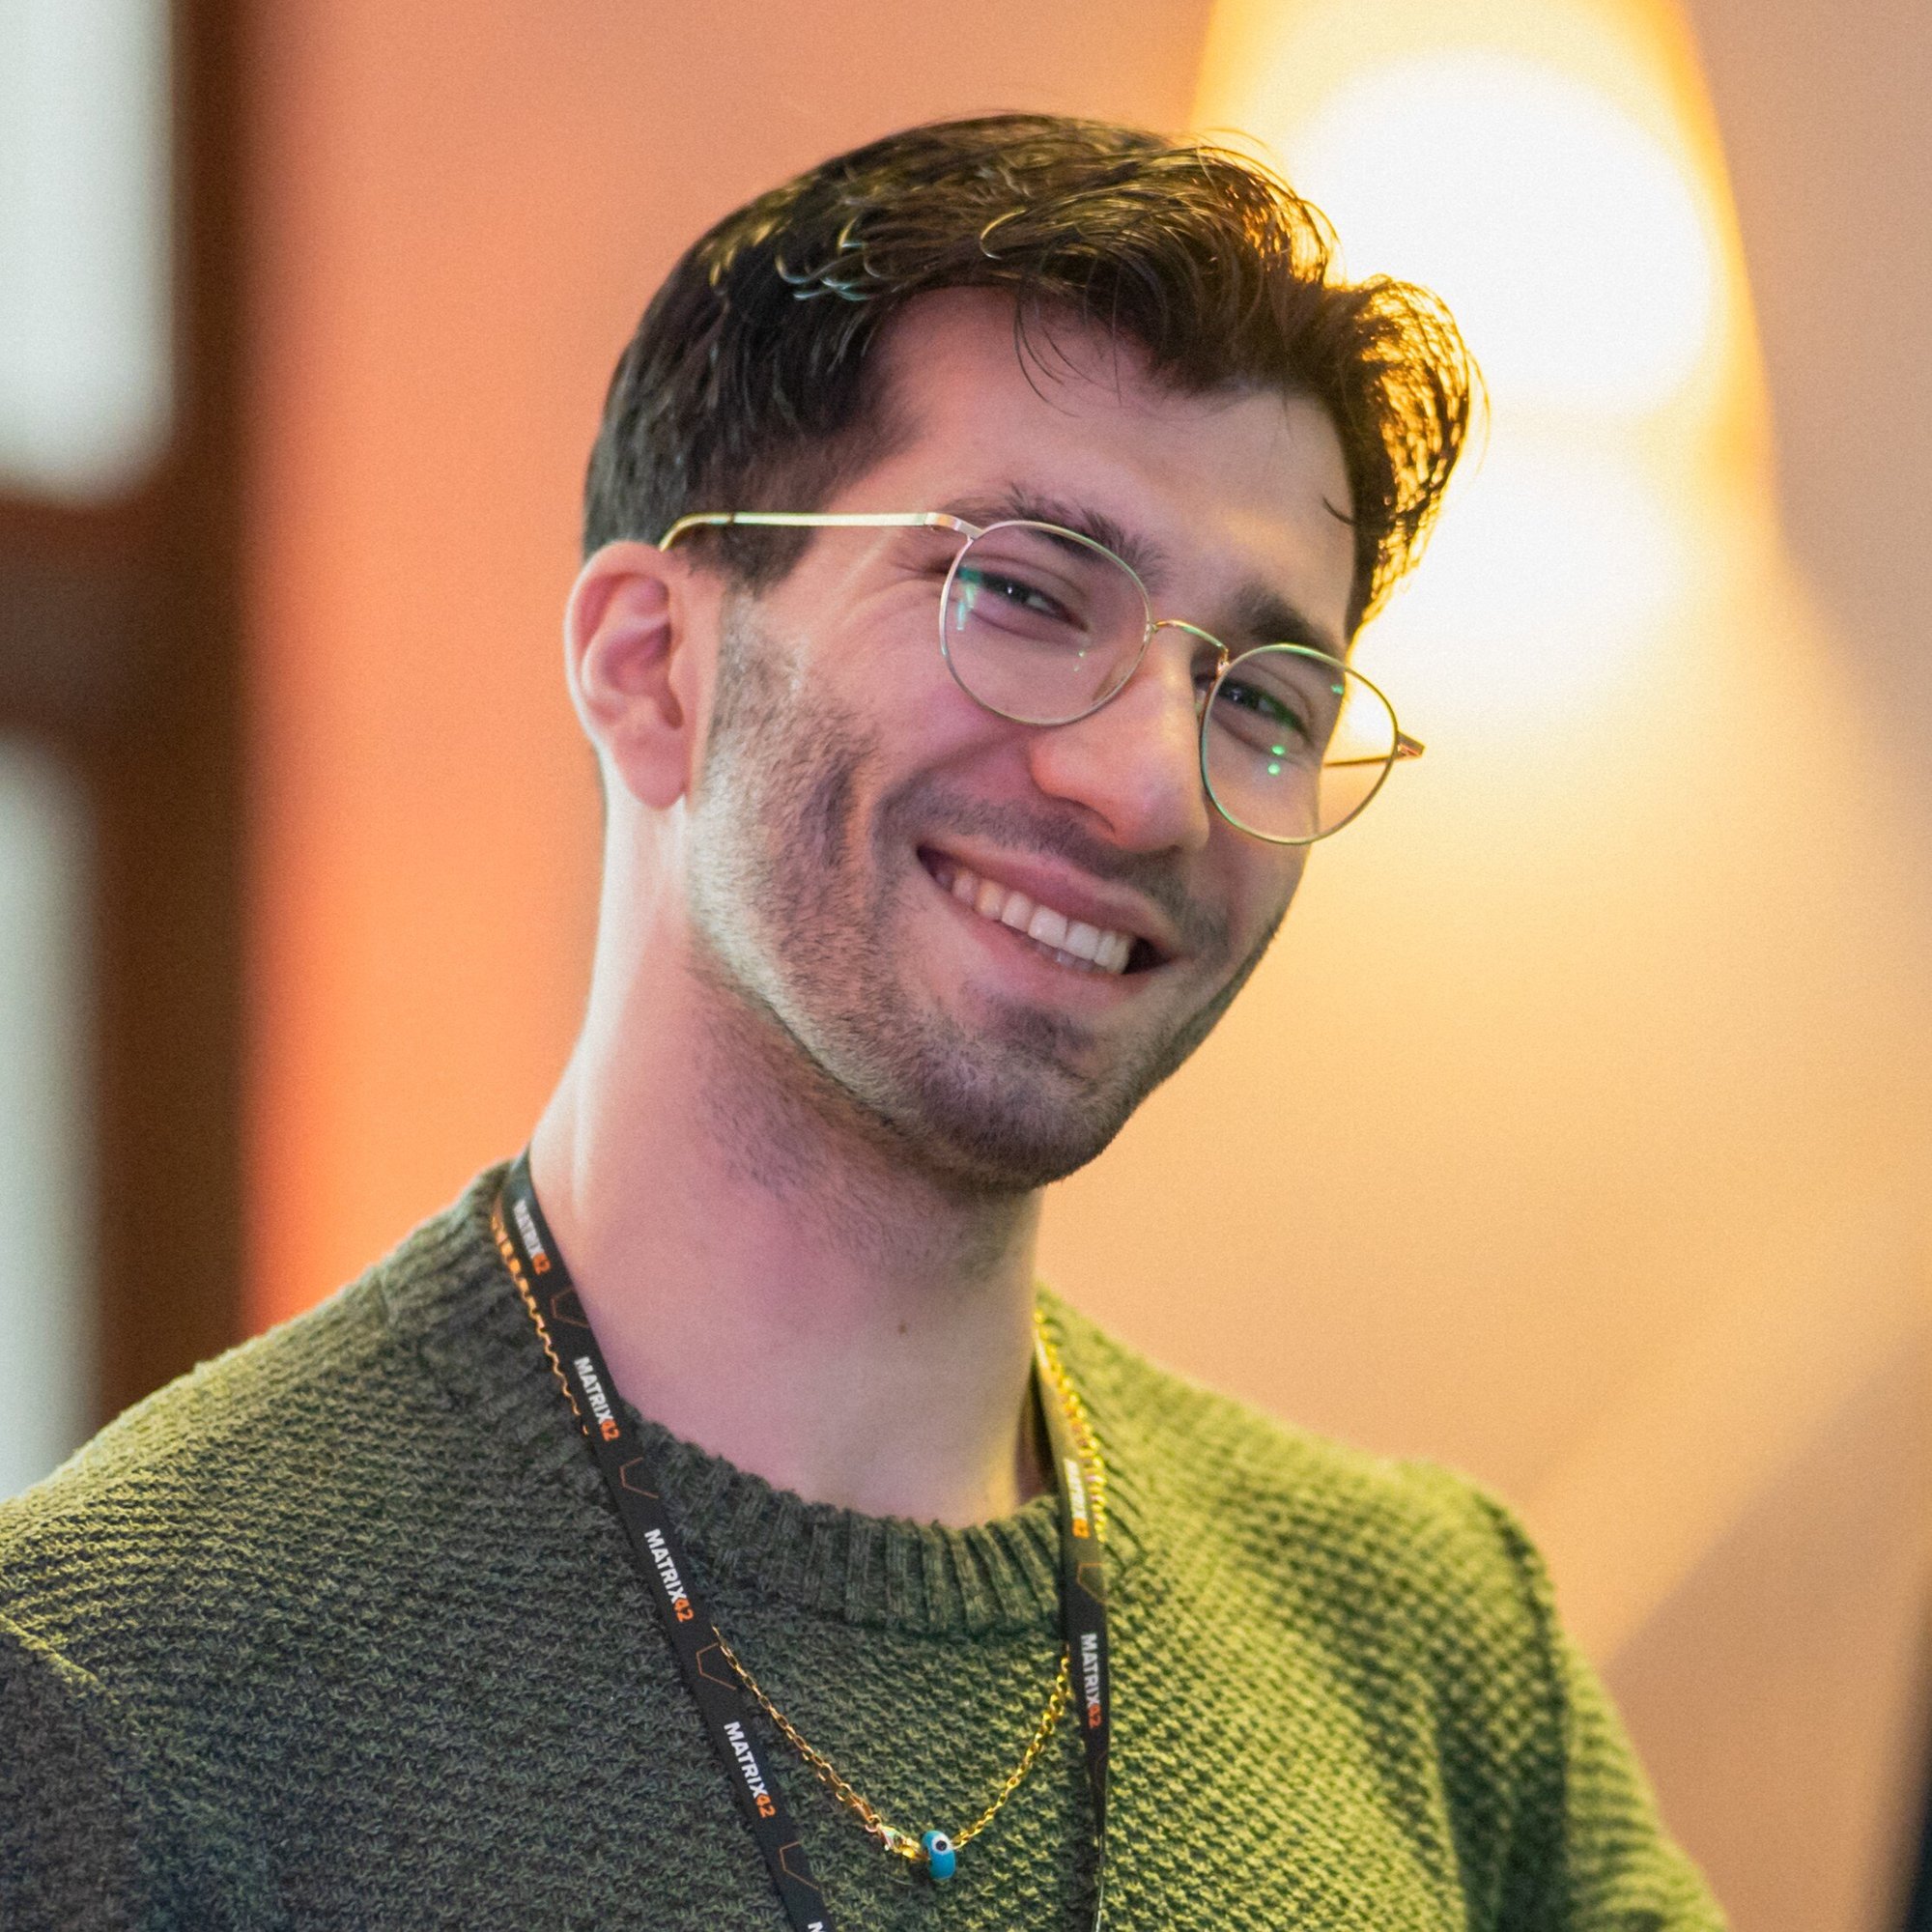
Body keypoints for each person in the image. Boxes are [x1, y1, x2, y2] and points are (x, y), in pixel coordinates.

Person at [0, 115, 1723, 1930]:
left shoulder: (1441, 1657)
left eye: (1264, 696)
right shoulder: (115, 1693)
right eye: (1027, 593)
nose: (1151, 788)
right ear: (652, 665)